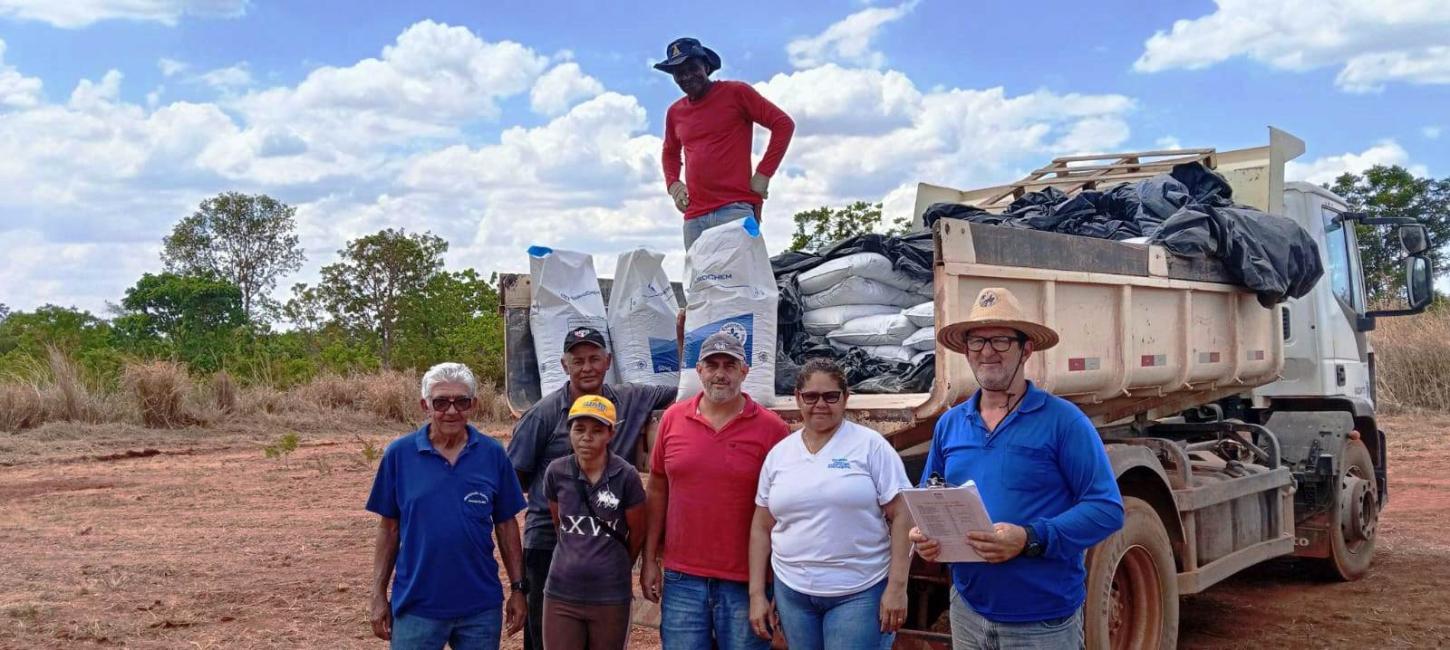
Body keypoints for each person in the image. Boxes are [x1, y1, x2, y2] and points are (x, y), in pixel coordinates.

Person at [909, 288, 1125, 649]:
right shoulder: (951, 424)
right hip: (968, 611)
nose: (987, 352)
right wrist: (927, 538)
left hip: (1042, 621)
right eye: (977, 342)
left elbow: (1106, 510)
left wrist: (1028, 538)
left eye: (1001, 341)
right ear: (966, 352)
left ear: (1026, 350)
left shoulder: (1064, 422)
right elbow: (933, 496)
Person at [506, 326, 678, 650]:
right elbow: (513, 477)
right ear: (563, 365)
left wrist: (682, 338)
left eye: (594, 359)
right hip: (548, 543)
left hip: (605, 543)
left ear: (608, 361)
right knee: (545, 636)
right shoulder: (543, 415)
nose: (587, 368)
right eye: (578, 360)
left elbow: (685, 391)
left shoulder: (628, 400)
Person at [748, 358, 913, 649]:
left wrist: (897, 587)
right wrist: (757, 594)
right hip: (793, 593)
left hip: (858, 592)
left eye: (831, 396)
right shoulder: (779, 455)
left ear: (846, 398)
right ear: (798, 398)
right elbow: (762, 526)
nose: (820, 404)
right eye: (811, 396)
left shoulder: (870, 446)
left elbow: (903, 514)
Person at [641, 331, 790, 650]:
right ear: (699, 370)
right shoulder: (672, 419)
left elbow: (785, 509)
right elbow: (657, 490)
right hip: (683, 578)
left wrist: (776, 585)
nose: (720, 373)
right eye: (712, 365)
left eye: (729, 365)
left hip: (746, 582)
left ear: (744, 371)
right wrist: (650, 557)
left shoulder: (772, 429)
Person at [366, 362, 528, 649]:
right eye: (441, 402)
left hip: (479, 608)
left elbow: (506, 525)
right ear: (424, 405)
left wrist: (518, 589)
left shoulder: (493, 454)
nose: (451, 411)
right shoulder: (399, 455)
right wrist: (378, 594)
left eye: (461, 401)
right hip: (416, 606)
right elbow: (389, 529)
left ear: (474, 405)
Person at [653, 37, 795, 249]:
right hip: (695, 217)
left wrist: (763, 174)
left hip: (735, 210)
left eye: (692, 68)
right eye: (678, 73)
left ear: (707, 67)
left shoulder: (737, 93)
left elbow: (783, 124)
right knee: (699, 282)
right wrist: (673, 184)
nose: (686, 76)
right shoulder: (675, 112)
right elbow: (670, 152)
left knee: (741, 281)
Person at [541, 395, 646, 650]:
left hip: (610, 595)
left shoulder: (626, 476)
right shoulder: (556, 472)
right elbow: (560, 525)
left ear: (611, 433)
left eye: (597, 430)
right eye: (579, 429)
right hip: (561, 593)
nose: (587, 437)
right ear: (570, 432)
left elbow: (638, 533)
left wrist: (615, 563)